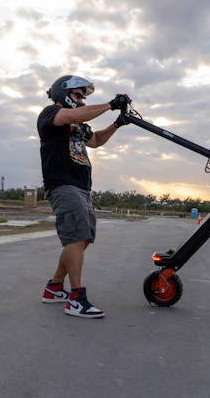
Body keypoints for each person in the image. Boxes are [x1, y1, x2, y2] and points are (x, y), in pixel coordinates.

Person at [37, 75, 131, 319]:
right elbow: (76, 115)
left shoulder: (78, 125)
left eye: (83, 97)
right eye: (78, 95)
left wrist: (117, 124)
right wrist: (111, 105)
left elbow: (96, 141)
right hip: (63, 185)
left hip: (81, 188)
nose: (81, 101)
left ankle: (54, 288)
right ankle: (76, 299)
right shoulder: (50, 114)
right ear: (64, 93)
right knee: (75, 237)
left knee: (82, 239)